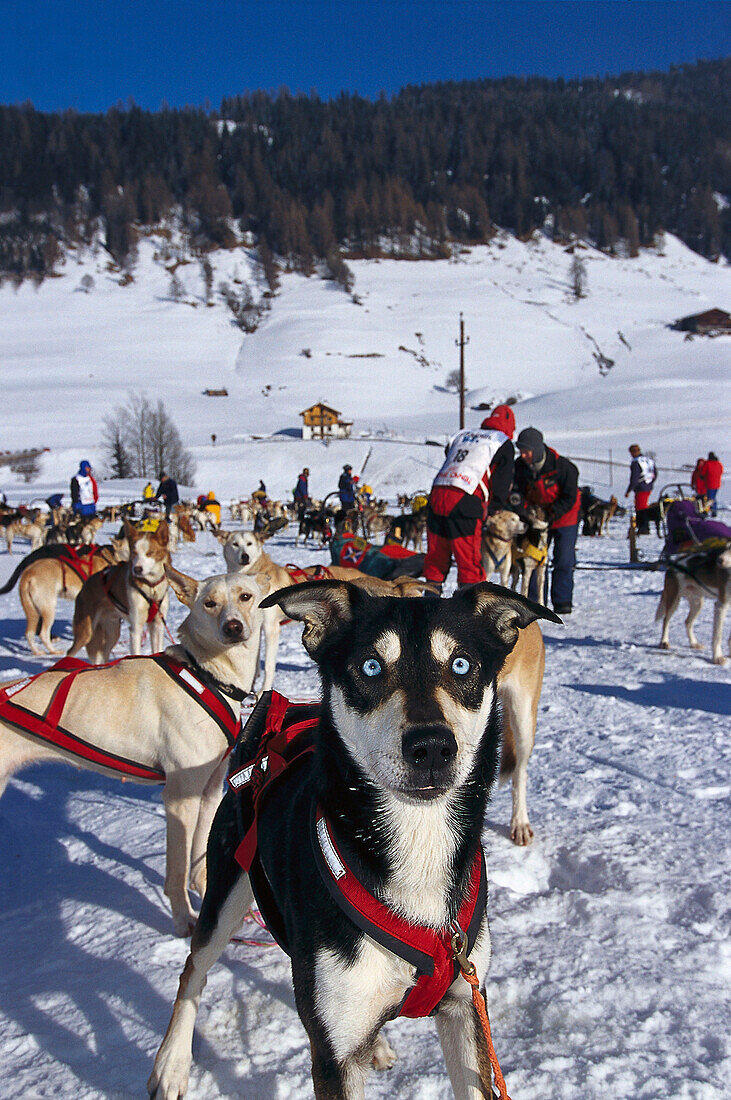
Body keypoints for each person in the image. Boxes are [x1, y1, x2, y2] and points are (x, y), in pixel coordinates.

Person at [422, 404, 516, 589]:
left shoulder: (462, 434)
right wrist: (495, 506)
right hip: (465, 498)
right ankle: (468, 614)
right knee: (469, 562)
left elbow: (449, 452)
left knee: (436, 557)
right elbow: (502, 480)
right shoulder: (501, 442)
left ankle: (429, 605)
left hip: (438, 493)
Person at [513, 427, 580, 614]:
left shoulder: (564, 468)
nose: (524, 455)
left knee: (563, 559)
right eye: (521, 451)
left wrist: (552, 514)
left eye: (527, 451)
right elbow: (516, 492)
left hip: (565, 517)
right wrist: (524, 511)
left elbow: (570, 497)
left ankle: (562, 601)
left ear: (537, 449)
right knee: (533, 557)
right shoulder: (519, 467)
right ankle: (535, 602)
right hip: (536, 519)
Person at [625, 444, 656, 534]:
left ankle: (643, 528)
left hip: (640, 487)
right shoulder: (648, 460)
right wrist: (650, 482)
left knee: (640, 508)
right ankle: (644, 527)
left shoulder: (636, 462)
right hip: (648, 486)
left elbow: (634, 478)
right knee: (644, 506)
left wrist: (629, 490)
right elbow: (655, 473)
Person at [704, 451, 723, 517]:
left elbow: (703, 472)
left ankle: (709, 510)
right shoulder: (719, 463)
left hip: (710, 483)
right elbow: (721, 471)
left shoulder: (708, 463)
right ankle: (713, 510)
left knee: (710, 498)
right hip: (717, 484)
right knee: (713, 497)